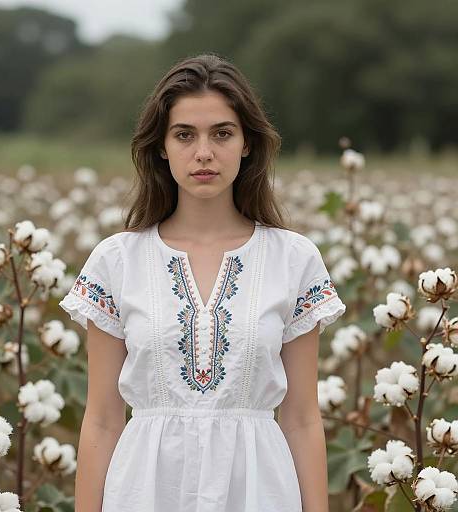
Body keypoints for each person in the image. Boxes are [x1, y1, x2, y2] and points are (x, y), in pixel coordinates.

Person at [59, 53, 346, 512]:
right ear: (161, 146)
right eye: (184, 135)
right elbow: (103, 420)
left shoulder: (293, 259)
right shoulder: (117, 260)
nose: (204, 153)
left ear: (248, 143)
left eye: (222, 133)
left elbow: (301, 419)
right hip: (144, 491)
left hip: (260, 490)